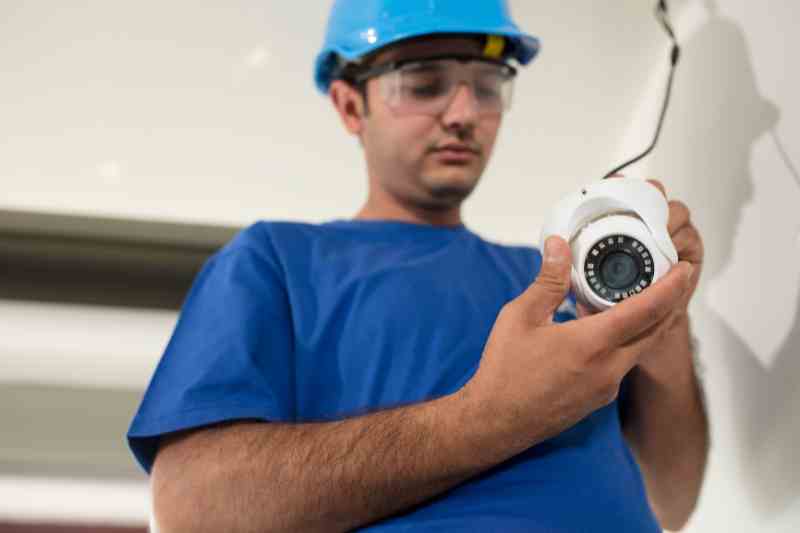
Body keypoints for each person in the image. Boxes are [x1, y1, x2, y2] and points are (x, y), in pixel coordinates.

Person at [127, 1, 709, 531]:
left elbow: (671, 499)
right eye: (424, 84)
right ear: (350, 105)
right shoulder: (275, 261)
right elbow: (193, 509)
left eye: (486, 86)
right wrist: (489, 418)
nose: (463, 113)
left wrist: (663, 320)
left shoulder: (557, 274)